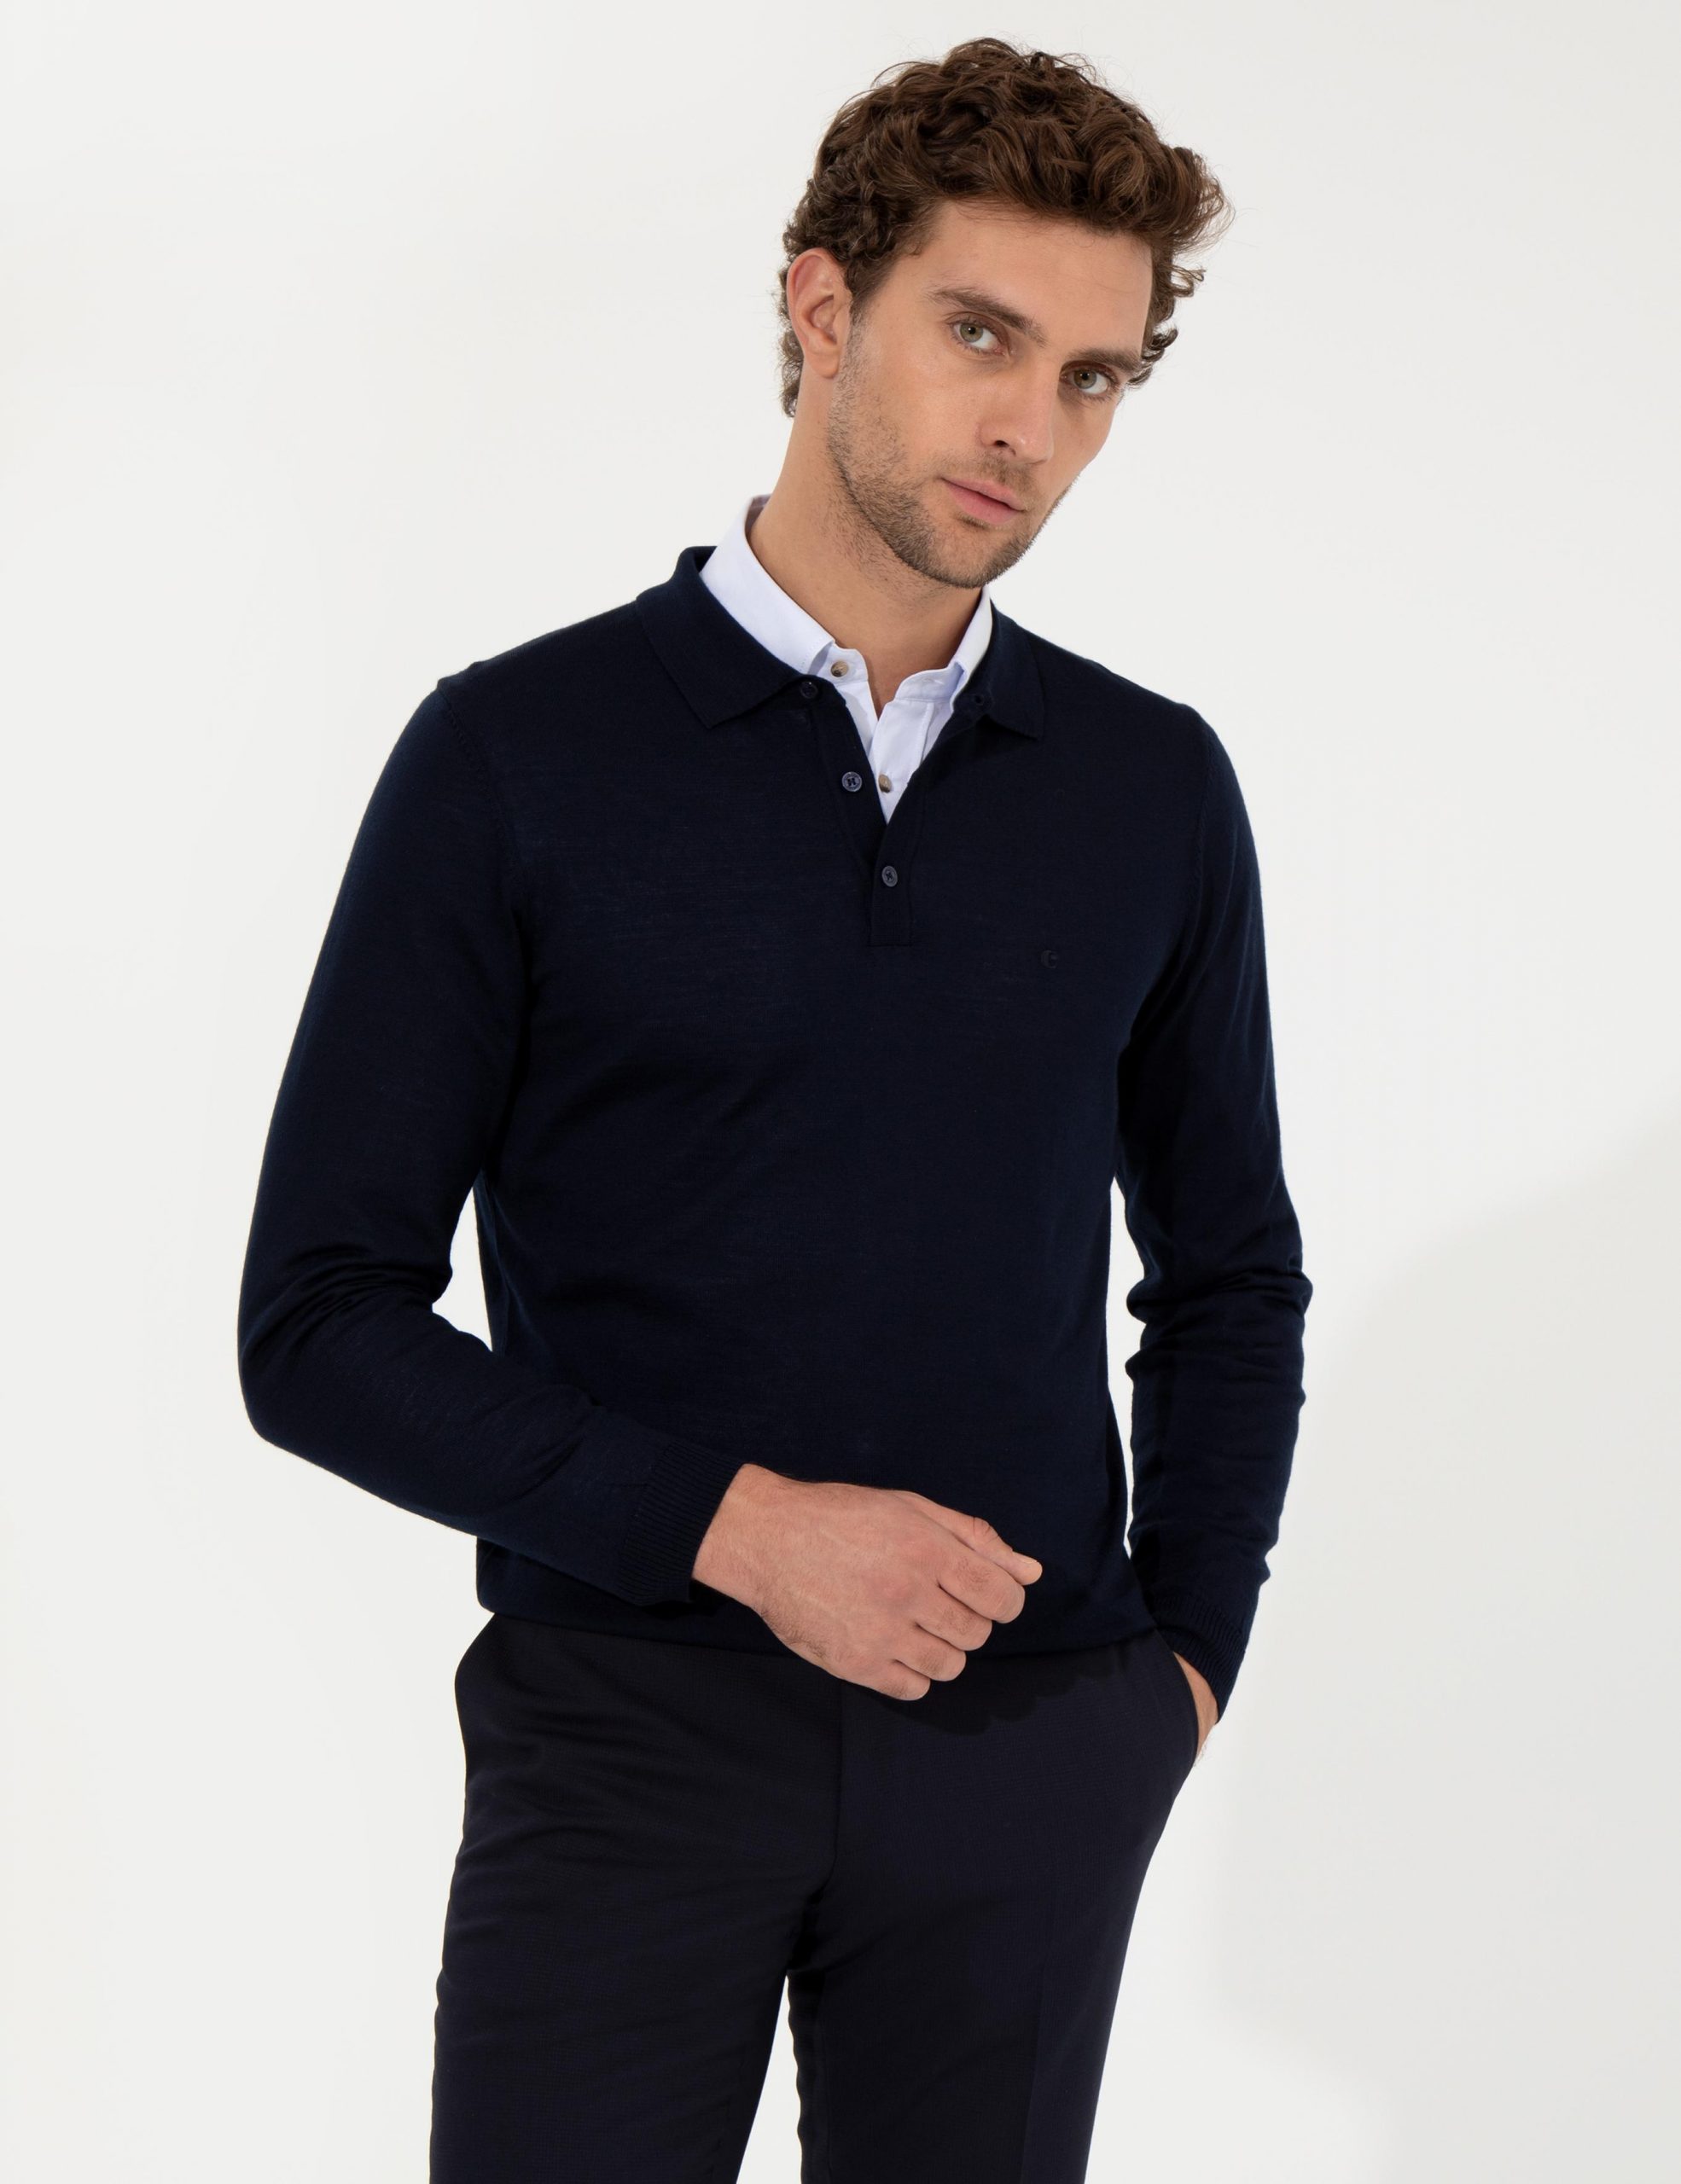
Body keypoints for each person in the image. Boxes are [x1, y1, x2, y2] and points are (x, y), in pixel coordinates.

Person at [236, 34, 1312, 2183]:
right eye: (979, 334)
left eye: (1093, 375)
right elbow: (318, 1323)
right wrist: (737, 1525)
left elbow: (1228, 1274)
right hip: (625, 1732)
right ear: (823, 308)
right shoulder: (515, 755)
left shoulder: (1149, 788)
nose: (1029, 426)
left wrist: (1173, 1671)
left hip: (1033, 1746)